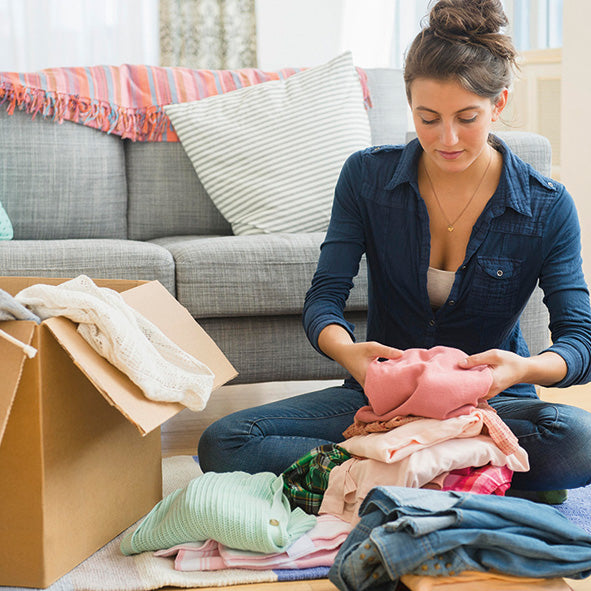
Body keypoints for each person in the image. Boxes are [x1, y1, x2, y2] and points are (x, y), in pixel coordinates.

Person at [198, 0, 591, 498]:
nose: (446, 138)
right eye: (428, 118)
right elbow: (324, 298)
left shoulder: (546, 206)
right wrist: (353, 358)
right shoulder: (367, 178)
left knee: (581, 441)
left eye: (467, 118)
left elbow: (581, 341)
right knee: (225, 442)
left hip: (488, 407)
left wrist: (521, 370)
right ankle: (464, 475)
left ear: (500, 103)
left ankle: (381, 475)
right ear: (409, 105)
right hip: (380, 404)